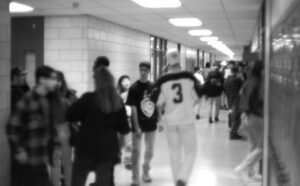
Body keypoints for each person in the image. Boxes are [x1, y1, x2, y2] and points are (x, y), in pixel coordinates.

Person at [66, 67, 130, 186]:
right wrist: (119, 146)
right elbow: (124, 128)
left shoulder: (88, 99)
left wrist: (74, 102)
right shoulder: (117, 101)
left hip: (85, 147)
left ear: (96, 81)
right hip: (107, 149)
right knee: (103, 182)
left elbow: (70, 115)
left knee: (78, 178)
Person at [153, 49, 202, 186]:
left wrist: (160, 119)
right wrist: (190, 106)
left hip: (170, 121)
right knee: (191, 151)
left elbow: (159, 104)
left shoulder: (162, 80)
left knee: (174, 154)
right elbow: (197, 97)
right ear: (179, 60)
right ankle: (183, 178)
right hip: (187, 120)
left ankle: (177, 181)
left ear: (167, 61)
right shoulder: (188, 77)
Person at [7, 66, 59, 186]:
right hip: (28, 161)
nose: (55, 82)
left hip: (42, 159)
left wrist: (55, 146)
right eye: (52, 79)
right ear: (41, 80)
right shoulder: (28, 99)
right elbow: (12, 127)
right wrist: (18, 150)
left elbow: (51, 127)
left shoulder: (49, 100)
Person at [126, 62, 157, 186]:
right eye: (141, 70)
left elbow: (156, 104)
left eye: (145, 70)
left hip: (151, 123)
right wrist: (137, 126)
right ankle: (135, 178)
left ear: (149, 71)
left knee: (150, 150)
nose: (143, 72)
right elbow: (133, 108)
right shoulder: (134, 88)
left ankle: (146, 172)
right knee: (136, 151)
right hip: (138, 125)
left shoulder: (153, 87)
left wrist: (159, 119)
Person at [234, 61, 264, 183]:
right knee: (264, 147)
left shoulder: (248, 82)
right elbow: (256, 102)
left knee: (253, 145)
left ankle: (250, 173)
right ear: (261, 71)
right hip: (254, 117)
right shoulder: (256, 83)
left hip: (246, 116)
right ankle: (243, 168)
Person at [49, 71, 72, 186]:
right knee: (58, 163)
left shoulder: (65, 97)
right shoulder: (55, 98)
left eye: (59, 80)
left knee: (62, 163)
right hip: (59, 130)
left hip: (62, 130)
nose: (58, 83)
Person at [117, 75, 133, 170]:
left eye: (128, 80)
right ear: (120, 84)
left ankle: (128, 160)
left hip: (129, 120)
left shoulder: (133, 93)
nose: (126, 83)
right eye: (124, 81)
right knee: (120, 142)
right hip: (119, 121)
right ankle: (115, 155)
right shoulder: (118, 95)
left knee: (129, 142)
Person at [224, 67, 244, 140]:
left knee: (232, 114)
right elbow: (243, 88)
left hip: (229, 99)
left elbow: (224, 90)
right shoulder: (237, 80)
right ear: (236, 72)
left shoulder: (226, 80)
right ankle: (233, 134)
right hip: (236, 100)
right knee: (236, 117)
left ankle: (231, 127)